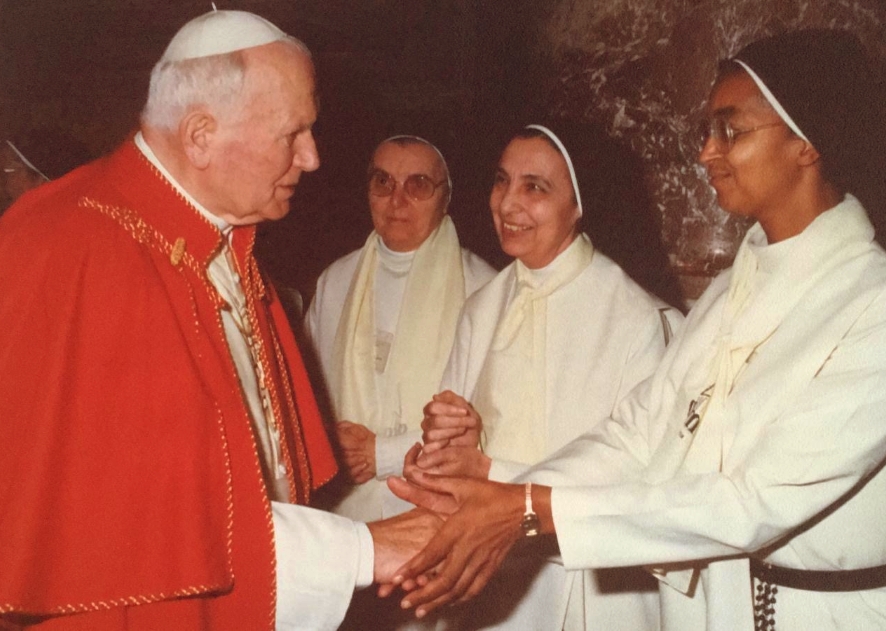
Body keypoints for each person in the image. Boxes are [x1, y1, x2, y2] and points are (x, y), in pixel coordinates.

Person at [387, 29, 886, 630]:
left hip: (844, 612)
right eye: (706, 131)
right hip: (722, 603)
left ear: (806, 143)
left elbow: (752, 500)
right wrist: (501, 492)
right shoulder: (730, 294)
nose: (707, 152)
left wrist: (525, 509)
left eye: (730, 130)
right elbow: (640, 431)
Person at [0, 10, 439, 631]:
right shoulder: (71, 248)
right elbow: (154, 534)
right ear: (201, 135)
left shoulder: (224, 238)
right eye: (293, 134)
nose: (312, 158)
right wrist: (367, 549)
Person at [414, 123, 681, 630]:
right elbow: (457, 460)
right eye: (501, 181)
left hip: (589, 587)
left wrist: (487, 468)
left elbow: (633, 477)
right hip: (492, 580)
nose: (508, 203)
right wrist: (447, 444)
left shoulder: (632, 316)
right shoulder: (481, 306)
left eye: (535, 187)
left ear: (578, 205)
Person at [303, 135, 495, 522]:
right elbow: (305, 397)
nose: (397, 200)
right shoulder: (334, 282)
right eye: (383, 182)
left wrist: (382, 454)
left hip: (437, 513)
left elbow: (495, 426)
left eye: (418, 185)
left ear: (446, 196)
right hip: (342, 516)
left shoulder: (485, 289)